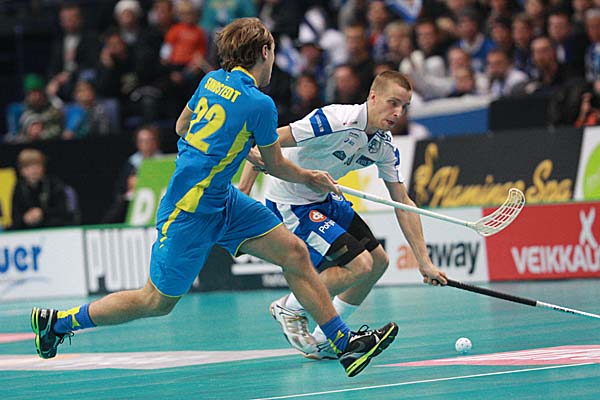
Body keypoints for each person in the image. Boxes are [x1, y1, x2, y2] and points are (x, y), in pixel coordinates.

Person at [31, 18, 398, 378]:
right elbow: (276, 165)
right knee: (155, 301)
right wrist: (311, 177)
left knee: (294, 253)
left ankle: (343, 343)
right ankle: (60, 323)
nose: (274, 59)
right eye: (273, 51)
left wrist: (220, 147)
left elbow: (181, 127)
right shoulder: (259, 104)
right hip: (188, 211)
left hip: (223, 199)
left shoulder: (210, 80)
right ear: (264, 52)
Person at [238, 71, 447, 360]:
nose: (398, 113)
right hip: (292, 201)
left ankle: (325, 340)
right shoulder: (334, 120)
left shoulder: (384, 145)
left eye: (404, 106)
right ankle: (290, 306)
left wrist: (424, 262)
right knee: (359, 265)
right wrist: (244, 191)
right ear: (373, 97)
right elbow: (265, 142)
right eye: (393, 103)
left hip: (326, 197)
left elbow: (403, 202)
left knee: (378, 263)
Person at [10, 149, 78, 230]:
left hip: (55, 229)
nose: (34, 171)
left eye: (37, 165)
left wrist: (43, 213)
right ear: (21, 170)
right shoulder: (19, 188)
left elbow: (64, 213)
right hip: (28, 232)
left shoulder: (54, 184)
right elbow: (15, 217)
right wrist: (25, 219)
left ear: (43, 167)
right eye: (28, 167)